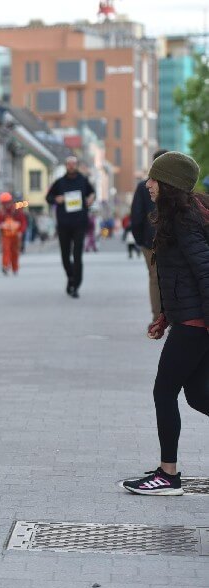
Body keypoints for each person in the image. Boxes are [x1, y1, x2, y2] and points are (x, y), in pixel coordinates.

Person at [122, 151, 209, 496]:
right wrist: (164, 317)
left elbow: (204, 273)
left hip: (195, 324)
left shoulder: (185, 221)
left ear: (169, 183)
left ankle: (167, 474)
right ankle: (166, 472)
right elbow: (183, 279)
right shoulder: (181, 217)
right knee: (199, 395)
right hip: (189, 321)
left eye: (154, 179)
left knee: (164, 391)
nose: (148, 184)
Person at [46, 156, 95, 298]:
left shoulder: (83, 180)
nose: (71, 166)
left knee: (77, 255)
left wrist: (91, 198)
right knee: (65, 256)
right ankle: (71, 277)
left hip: (80, 222)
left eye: (73, 164)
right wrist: (56, 199)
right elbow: (48, 197)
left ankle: (76, 284)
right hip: (64, 224)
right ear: (66, 166)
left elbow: (92, 193)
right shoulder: (59, 182)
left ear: (77, 165)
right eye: (69, 164)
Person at [131, 149, 168, 321]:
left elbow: (136, 216)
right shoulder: (174, 185)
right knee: (170, 277)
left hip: (149, 240)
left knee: (154, 278)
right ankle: (170, 317)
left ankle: (157, 317)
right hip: (168, 238)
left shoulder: (142, 187)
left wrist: (140, 240)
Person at [0, 192, 27, 275]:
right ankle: (5, 266)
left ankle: (15, 268)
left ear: (11, 201)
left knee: (15, 252)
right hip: (5, 235)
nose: (6, 204)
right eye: (4, 203)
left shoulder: (17, 210)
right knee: (6, 250)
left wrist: (21, 231)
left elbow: (23, 222)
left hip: (16, 235)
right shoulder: (1, 212)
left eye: (7, 202)